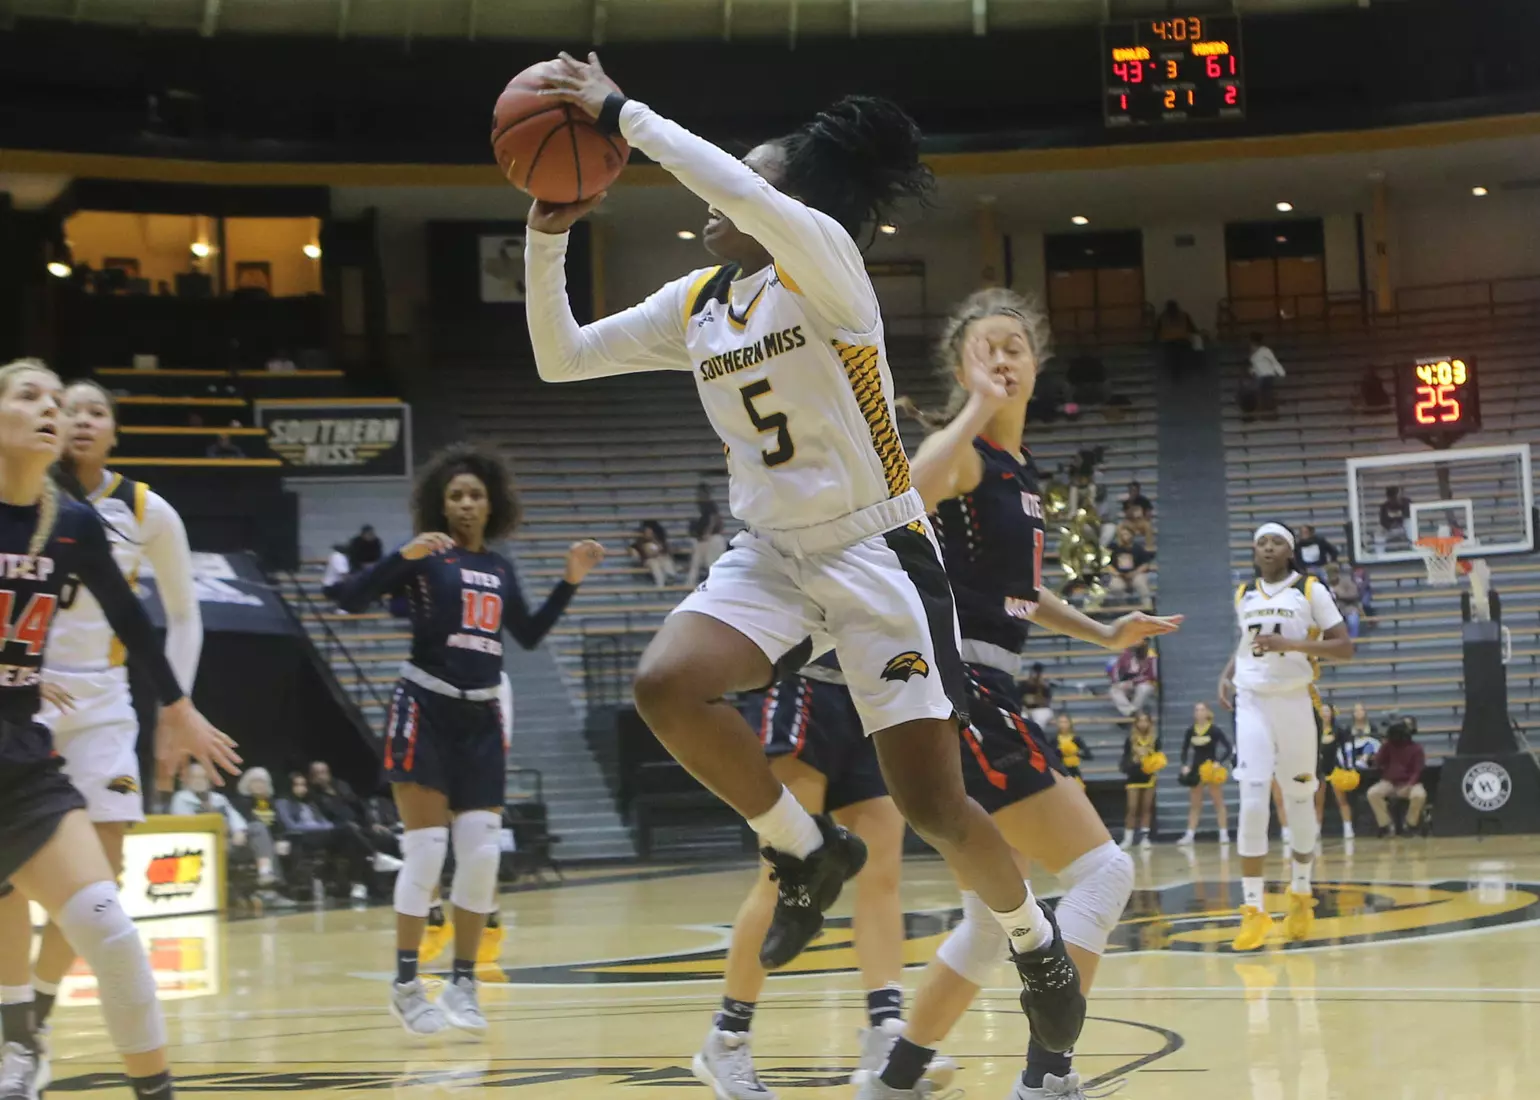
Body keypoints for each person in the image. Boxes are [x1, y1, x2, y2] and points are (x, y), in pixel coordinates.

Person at [526, 55, 1094, 1057]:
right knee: (664, 684)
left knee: (933, 802)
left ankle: (1034, 944)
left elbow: (735, 186)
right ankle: (802, 847)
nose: (714, 197)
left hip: (877, 550)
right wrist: (543, 232)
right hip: (772, 554)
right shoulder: (699, 300)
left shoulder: (826, 262)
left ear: (785, 200)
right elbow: (558, 354)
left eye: (743, 179)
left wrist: (622, 113)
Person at [861, 287, 1175, 1100]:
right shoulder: (963, 451)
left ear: (1037, 365)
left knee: (984, 916)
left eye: (1015, 347)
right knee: (1104, 875)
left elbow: (1019, 593)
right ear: (962, 368)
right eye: (983, 348)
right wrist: (968, 410)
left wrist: (1103, 631)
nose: (1002, 357)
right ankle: (1047, 1076)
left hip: (977, 687)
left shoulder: (1017, 471)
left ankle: (894, 1081)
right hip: (964, 690)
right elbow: (910, 491)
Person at [0, 358, 238, 1100]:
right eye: (29, 396)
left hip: (24, 745)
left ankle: (105, 1071)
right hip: (35, 714)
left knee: (108, 921)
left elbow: (136, 621)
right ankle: (13, 1039)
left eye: (60, 399)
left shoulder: (71, 524)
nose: (55, 410)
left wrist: (178, 706)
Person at [334, 443, 603, 1037]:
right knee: (427, 851)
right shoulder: (425, 556)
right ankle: (406, 985)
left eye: (474, 494)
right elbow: (348, 598)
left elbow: (528, 635)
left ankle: (463, 984)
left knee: (481, 857)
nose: (464, 503)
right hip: (424, 705)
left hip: (481, 719)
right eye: (454, 495)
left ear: (491, 504)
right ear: (439, 503)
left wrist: (569, 582)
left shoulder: (502, 568)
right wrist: (399, 557)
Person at [693, 653, 922, 1100]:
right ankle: (727, 1036)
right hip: (804, 680)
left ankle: (885, 1029)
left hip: (872, 691)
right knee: (783, 871)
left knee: (883, 872)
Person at [1219, 522, 1355, 951]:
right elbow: (1246, 644)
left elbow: (1344, 646)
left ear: (1290, 550)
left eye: (1276, 541)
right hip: (1252, 701)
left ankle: (1300, 893)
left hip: (1296, 701)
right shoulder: (1244, 594)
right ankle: (1254, 910)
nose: (1267, 547)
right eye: (1260, 541)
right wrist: (1226, 675)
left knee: (1299, 799)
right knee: (1254, 796)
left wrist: (1292, 647)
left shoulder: (1310, 589)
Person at [1177, 702, 1232, 846]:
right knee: (1195, 804)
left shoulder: (1214, 730)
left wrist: (1219, 762)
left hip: (1211, 770)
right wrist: (1184, 765)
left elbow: (1228, 748)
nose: (1199, 712)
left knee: (1218, 802)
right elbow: (1184, 750)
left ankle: (1224, 834)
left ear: (1208, 712)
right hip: (1196, 770)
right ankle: (1189, 835)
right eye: (1197, 710)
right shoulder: (1190, 731)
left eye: (1202, 709)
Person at [1367, 716, 1426, 837]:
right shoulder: (1388, 746)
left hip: (1409, 783)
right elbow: (1378, 762)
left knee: (1419, 795)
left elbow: (1417, 771)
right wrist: (1379, 752)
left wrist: (1409, 786)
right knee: (1372, 793)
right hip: (1389, 782)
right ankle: (1386, 824)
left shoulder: (1416, 748)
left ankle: (1410, 824)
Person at [1119, 711, 1162, 851]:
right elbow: (1124, 759)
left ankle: (1144, 838)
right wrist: (1133, 761)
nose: (1143, 723)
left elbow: (1159, 758)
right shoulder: (1130, 740)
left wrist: (1151, 759)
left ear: (1150, 723)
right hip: (1133, 776)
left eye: (1145, 720)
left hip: (1149, 776)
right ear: (1136, 723)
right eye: (1140, 721)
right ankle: (1128, 838)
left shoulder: (1155, 739)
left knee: (1146, 807)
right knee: (1132, 808)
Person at [686, 483, 727, 586]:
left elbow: (714, 519)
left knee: (709, 562)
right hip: (702, 539)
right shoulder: (700, 505)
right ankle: (690, 583)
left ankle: (713, 583)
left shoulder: (710, 505)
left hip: (709, 538)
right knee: (697, 562)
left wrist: (707, 533)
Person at [1105, 526, 1154, 605]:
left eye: (1126, 534)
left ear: (1132, 535)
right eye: (1122, 534)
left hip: (1135, 574)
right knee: (1115, 586)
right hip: (1119, 575)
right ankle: (1123, 606)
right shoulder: (1114, 548)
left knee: (1140, 582)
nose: (1124, 536)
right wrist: (1115, 573)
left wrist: (1135, 573)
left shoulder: (1138, 548)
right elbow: (1107, 564)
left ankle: (1147, 605)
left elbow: (1145, 564)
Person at [1107, 641, 1158, 716]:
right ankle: (1130, 711)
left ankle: (1134, 712)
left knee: (1144, 688)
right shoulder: (1126, 654)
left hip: (1144, 683)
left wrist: (1133, 682)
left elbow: (1152, 675)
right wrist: (1117, 683)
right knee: (1114, 690)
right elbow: (1116, 669)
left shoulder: (1151, 655)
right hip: (1128, 684)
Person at [1242, 332, 1285, 419]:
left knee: (1263, 393)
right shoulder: (1252, 354)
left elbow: (1274, 362)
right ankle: (1260, 413)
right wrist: (1252, 371)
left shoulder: (1265, 351)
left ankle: (1268, 413)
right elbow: (1255, 366)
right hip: (1259, 375)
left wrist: (1281, 373)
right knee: (1260, 393)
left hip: (1267, 375)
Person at [1153, 300, 1195, 378]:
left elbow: (1156, 332)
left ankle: (1171, 371)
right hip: (1182, 341)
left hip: (1167, 342)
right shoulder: (1184, 315)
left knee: (1170, 356)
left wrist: (1154, 342)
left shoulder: (1162, 317)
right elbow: (1193, 329)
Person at [631, 519, 676, 589]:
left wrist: (659, 548)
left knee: (665, 560)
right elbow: (637, 551)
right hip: (649, 560)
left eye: (650, 532)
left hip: (660, 558)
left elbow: (665, 550)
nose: (649, 533)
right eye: (647, 532)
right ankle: (660, 582)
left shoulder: (659, 541)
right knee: (654, 564)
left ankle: (670, 575)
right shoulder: (640, 543)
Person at [1053, 714, 1091, 785]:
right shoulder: (1054, 740)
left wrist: (1076, 753)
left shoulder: (1076, 739)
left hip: (1074, 770)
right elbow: (1050, 758)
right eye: (1061, 722)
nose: (1063, 725)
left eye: (1065, 722)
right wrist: (1060, 752)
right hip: (1061, 772)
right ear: (1057, 724)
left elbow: (1089, 756)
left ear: (1070, 724)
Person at [1327, 562, 1362, 637]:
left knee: (1353, 621)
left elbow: (1354, 594)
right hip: (1330, 610)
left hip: (1347, 608)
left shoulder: (1346, 581)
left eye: (1335, 572)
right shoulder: (1324, 583)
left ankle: (1352, 644)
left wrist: (1340, 595)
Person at [1376, 487, 1410, 554]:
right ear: (1389, 498)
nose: (1397, 499)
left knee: (1409, 523)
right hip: (1391, 529)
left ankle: (1415, 549)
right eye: (1394, 497)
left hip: (1405, 529)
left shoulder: (1407, 503)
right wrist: (1390, 526)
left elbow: (1409, 516)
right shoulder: (1384, 507)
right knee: (1379, 532)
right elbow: (1383, 521)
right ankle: (1380, 554)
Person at [1021, 662, 1053, 729]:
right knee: (1022, 717)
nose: (1036, 676)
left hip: (1041, 709)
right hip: (1025, 709)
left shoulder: (1045, 686)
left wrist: (1041, 688)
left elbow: (1047, 702)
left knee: (1040, 717)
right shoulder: (1023, 685)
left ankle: (1036, 737)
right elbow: (1019, 700)